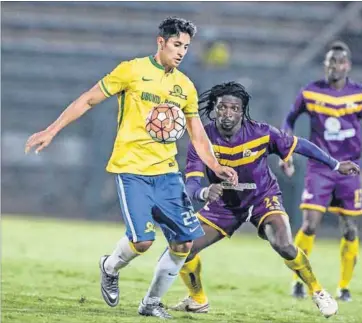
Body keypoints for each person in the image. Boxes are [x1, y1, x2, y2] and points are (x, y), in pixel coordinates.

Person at [24, 17, 238, 319]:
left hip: (166, 173)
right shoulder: (131, 71)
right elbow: (88, 100)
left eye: (186, 47)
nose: (181, 52)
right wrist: (51, 130)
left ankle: (150, 303)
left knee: (183, 243)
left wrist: (215, 164)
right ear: (160, 42)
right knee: (143, 241)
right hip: (132, 170)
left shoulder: (185, 86)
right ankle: (109, 267)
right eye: (176, 44)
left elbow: (196, 133)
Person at [170, 81, 360, 318]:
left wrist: (335, 164)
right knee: (182, 246)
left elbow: (301, 145)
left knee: (283, 244)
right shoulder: (202, 139)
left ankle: (318, 291)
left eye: (234, 108)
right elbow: (192, 184)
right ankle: (197, 299)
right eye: (222, 107)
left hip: (263, 198)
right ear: (214, 109)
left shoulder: (261, 132)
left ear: (242, 111)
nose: (228, 113)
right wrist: (203, 193)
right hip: (225, 205)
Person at [280, 41, 362, 302]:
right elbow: (289, 119)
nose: (334, 66)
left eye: (339, 62)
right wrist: (286, 152)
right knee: (309, 224)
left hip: (349, 169)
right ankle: (298, 281)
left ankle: (344, 287)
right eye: (330, 61)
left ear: (347, 65)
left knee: (350, 228)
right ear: (325, 65)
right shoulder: (310, 92)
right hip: (320, 167)